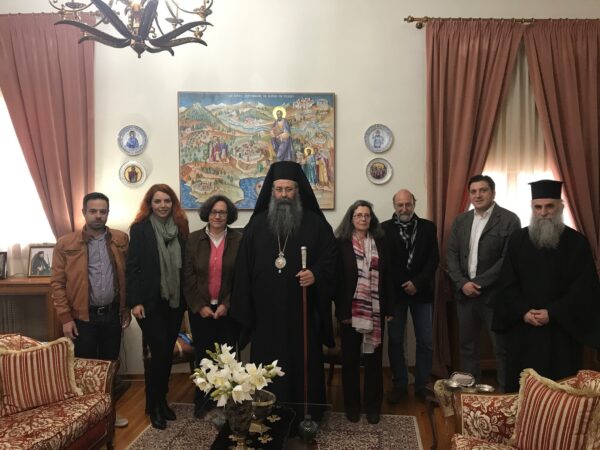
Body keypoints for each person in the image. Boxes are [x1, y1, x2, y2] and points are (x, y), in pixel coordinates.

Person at [230, 161, 337, 431]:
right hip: (265, 314)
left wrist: (315, 274)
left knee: (302, 361)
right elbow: (243, 269)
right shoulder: (256, 225)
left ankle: (306, 413)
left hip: (302, 312)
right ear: (271, 191)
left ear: (298, 191)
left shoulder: (316, 224)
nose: (284, 195)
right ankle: (266, 411)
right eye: (279, 190)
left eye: (289, 189)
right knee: (267, 363)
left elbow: (331, 259)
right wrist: (246, 308)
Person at [493, 180, 600, 392]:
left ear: (560, 207)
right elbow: (507, 283)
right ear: (532, 208)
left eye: (549, 206)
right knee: (524, 388)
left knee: (560, 390)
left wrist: (553, 312)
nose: (543, 212)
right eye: (538, 207)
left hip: (561, 331)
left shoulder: (577, 242)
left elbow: (584, 289)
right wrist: (523, 312)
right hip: (524, 329)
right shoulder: (518, 239)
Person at [51, 192, 130, 428]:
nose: (98, 215)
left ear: (108, 213)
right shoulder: (65, 244)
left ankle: (109, 414)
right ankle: (87, 419)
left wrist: (125, 309)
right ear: (84, 212)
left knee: (109, 367)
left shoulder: (120, 239)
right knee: (84, 368)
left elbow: (129, 276)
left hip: (112, 315)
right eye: (93, 211)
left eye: (102, 211)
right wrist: (65, 318)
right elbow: (57, 283)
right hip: (82, 317)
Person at [447, 175, 521, 392]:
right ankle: (471, 393)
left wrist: (478, 283)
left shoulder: (509, 220)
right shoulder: (461, 221)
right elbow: (451, 255)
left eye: (483, 190)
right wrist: (463, 283)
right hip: (464, 295)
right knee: (467, 347)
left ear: (493, 193)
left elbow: (508, 259)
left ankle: (507, 394)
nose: (478, 195)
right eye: (473, 191)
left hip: (494, 297)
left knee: (501, 347)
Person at [126, 184, 189, 430]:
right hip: (149, 303)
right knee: (160, 352)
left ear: (173, 204)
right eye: (157, 201)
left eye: (167, 201)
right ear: (150, 204)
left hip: (174, 303)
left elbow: (186, 265)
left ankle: (161, 401)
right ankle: (153, 406)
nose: (163, 205)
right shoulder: (140, 229)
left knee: (164, 354)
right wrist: (135, 301)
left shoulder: (181, 227)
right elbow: (132, 267)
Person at [183, 195, 242, 419]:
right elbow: (187, 277)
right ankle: (203, 400)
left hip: (229, 310)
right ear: (207, 214)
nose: (218, 216)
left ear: (229, 215)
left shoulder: (239, 240)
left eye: (222, 212)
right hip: (202, 311)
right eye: (214, 212)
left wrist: (227, 304)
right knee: (204, 357)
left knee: (228, 358)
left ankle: (227, 402)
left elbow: (241, 278)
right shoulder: (193, 239)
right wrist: (200, 306)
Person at [334, 200, 392, 424]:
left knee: (374, 361)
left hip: (376, 312)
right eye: (358, 215)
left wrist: (388, 308)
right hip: (349, 312)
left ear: (371, 218)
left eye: (367, 215)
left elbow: (388, 276)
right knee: (349, 361)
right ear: (351, 218)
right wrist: (342, 312)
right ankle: (352, 406)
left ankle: (373, 406)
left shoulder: (381, 242)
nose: (363, 219)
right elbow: (337, 281)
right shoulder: (341, 243)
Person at [382, 189, 439, 403]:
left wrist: (417, 282)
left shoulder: (428, 227)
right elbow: (385, 263)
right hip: (396, 295)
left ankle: (422, 385)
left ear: (414, 204)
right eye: (400, 205)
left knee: (425, 341)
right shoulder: (383, 229)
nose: (404, 209)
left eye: (408, 204)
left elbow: (433, 259)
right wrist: (404, 283)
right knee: (395, 340)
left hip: (421, 293)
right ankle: (400, 384)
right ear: (394, 206)